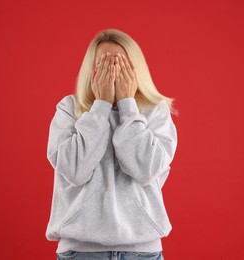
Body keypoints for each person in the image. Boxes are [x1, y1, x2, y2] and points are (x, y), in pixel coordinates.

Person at [45, 28, 178, 260]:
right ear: (91, 70)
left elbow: (146, 168)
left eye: (121, 65)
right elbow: (74, 170)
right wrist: (101, 106)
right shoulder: (69, 109)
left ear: (135, 70)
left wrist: (127, 105)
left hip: (142, 251)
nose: (113, 73)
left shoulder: (155, 112)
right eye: (104, 65)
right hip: (80, 251)